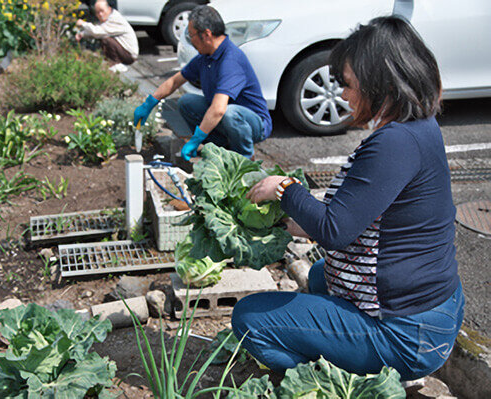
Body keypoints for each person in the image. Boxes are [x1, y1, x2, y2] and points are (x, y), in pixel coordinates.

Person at [232, 16, 464, 382]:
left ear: (383, 84)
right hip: (431, 312)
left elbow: (334, 230)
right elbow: (358, 213)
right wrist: (287, 219)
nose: (343, 94)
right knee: (322, 275)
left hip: (408, 333)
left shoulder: (394, 143)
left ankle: (340, 383)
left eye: (349, 84)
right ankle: (354, 350)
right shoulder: (419, 127)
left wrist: (284, 188)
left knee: (249, 318)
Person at [133, 5, 272, 160]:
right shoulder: (206, 57)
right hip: (228, 117)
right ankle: (219, 147)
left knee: (229, 113)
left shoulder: (230, 61)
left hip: (253, 122)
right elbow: (175, 81)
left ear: (206, 35)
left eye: (191, 36)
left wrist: (195, 139)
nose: (190, 41)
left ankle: (244, 158)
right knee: (187, 102)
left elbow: (219, 110)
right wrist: (149, 103)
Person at [75, 0, 139, 73]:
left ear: (109, 9)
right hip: (124, 51)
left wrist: (84, 24)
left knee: (106, 40)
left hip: (129, 56)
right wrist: (82, 34)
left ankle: (117, 64)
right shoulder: (109, 18)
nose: (100, 14)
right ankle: (112, 63)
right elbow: (100, 30)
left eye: (102, 11)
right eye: (98, 12)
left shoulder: (115, 19)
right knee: (103, 37)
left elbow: (98, 32)